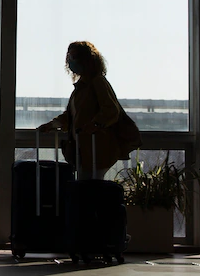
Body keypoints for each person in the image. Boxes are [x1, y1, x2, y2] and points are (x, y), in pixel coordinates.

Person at [36, 41, 139, 181]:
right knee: (87, 187)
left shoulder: (97, 82)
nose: (71, 62)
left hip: (96, 148)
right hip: (84, 150)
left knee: (90, 188)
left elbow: (111, 110)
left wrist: (94, 125)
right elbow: (70, 115)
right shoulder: (81, 88)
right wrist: (53, 125)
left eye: (74, 57)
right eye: (69, 57)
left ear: (86, 60)